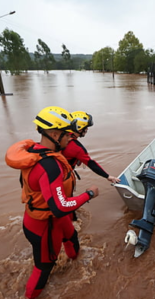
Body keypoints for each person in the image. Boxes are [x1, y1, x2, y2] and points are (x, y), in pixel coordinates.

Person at [5, 106, 99, 299]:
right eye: (67, 135)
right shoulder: (49, 166)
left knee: (72, 237)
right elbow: (59, 206)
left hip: (51, 219)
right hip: (44, 225)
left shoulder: (34, 151)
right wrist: (88, 194)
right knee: (44, 268)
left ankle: (75, 265)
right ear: (55, 134)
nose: (70, 139)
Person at [61, 111, 120, 184]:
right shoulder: (77, 148)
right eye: (86, 127)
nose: (87, 129)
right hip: (63, 178)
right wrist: (107, 176)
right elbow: (91, 163)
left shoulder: (59, 137)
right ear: (79, 128)